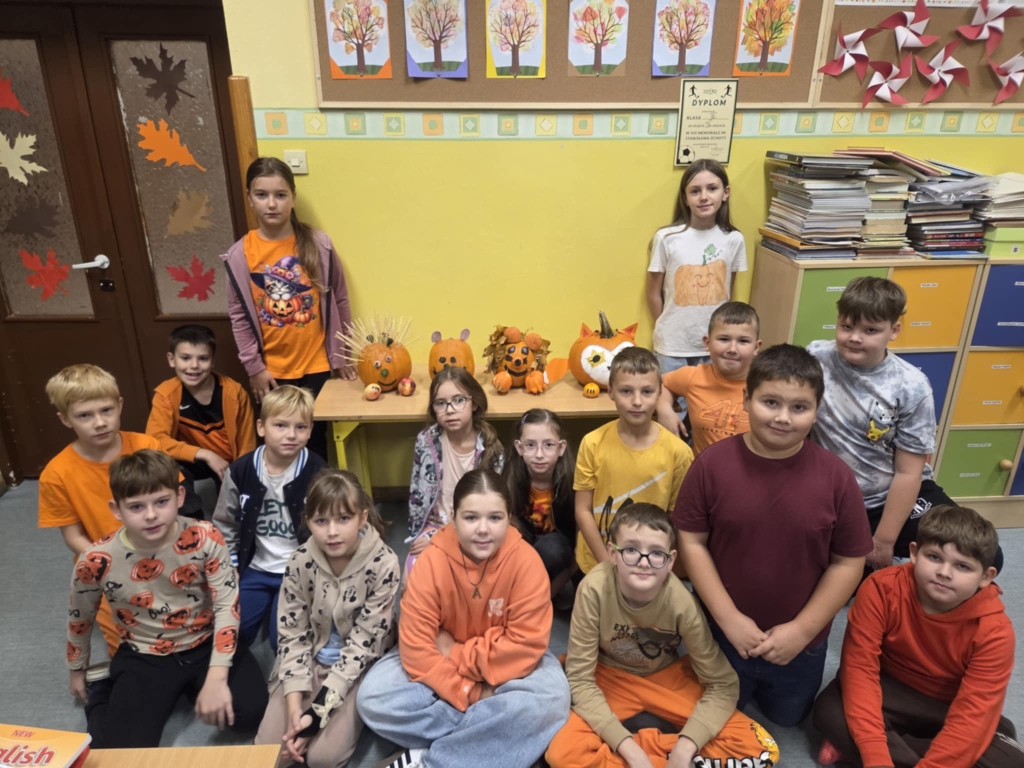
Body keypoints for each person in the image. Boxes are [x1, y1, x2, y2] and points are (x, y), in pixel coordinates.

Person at [674, 344, 873, 727]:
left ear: (817, 410)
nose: (783, 417)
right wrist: (728, 618)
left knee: (788, 718)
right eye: (770, 402)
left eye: (799, 407)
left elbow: (849, 562)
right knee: (717, 713)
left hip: (802, 643)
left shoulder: (836, 477)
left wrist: (801, 631)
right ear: (746, 399)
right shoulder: (710, 465)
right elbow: (692, 542)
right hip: (722, 632)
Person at [356, 469, 571, 768]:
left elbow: (524, 647)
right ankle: (492, 741)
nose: (483, 529)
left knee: (553, 699)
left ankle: (429, 760)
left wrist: (454, 651)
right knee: (373, 697)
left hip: (502, 669)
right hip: (448, 670)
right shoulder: (431, 561)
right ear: (453, 518)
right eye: (471, 518)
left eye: (495, 518)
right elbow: (416, 648)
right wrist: (471, 692)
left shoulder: (526, 562)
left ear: (509, 518)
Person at [546, 503, 780, 768]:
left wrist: (686, 746)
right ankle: (646, 755)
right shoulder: (593, 589)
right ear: (612, 553)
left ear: (670, 561)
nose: (644, 562)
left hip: (666, 678)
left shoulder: (682, 603)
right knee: (561, 755)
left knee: (764, 750)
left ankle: (655, 755)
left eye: (657, 553)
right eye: (631, 550)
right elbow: (580, 678)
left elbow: (723, 684)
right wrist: (629, 749)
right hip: (609, 677)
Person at [66, 450, 267, 748]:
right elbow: (80, 616)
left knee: (251, 713)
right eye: (136, 506)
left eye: (161, 501)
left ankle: (191, 686)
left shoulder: (206, 537)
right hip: (145, 653)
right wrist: (77, 668)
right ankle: (104, 693)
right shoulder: (96, 559)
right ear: (117, 510)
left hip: (206, 641)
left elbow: (227, 605)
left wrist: (216, 676)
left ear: (180, 496)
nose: (151, 515)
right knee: (120, 749)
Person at [813, 505, 1024, 768]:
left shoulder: (995, 631)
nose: (944, 572)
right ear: (914, 553)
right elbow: (859, 670)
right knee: (828, 710)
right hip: (888, 691)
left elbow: (973, 713)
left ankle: (867, 748)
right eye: (934, 557)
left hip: (946, 706)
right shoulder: (880, 589)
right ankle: (884, 746)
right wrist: (876, 757)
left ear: (986, 577)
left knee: (1010, 759)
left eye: (962, 566)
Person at [807, 276, 989, 573]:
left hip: (896, 495)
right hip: (835, 501)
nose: (855, 338)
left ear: (894, 331)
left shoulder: (911, 386)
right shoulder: (816, 357)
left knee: (980, 556)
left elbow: (909, 472)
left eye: (870, 330)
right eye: (846, 326)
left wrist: (883, 541)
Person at [39, 364, 199, 660]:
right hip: (109, 567)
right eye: (85, 415)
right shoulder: (56, 473)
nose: (100, 422)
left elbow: (171, 509)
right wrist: (118, 566)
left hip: (164, 552)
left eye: (106, 410)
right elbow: (73, 536)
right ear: (65, 419)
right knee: (132, 651)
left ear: (120, 405)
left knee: (193, 628)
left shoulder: (147, 446)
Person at [256, 469, 400, 768]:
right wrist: (295, 709)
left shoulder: (384, 562)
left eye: (343, 519)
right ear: (308, 521)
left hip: (357, 668)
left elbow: (362, 647)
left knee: (322, 759)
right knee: (268, 754)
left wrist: (316, 716)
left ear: (362, 517)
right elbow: (292, 635)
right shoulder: (300, 560)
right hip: (310, 658)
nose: (332, 531)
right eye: (321, 521)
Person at [221, 156, 356, 461]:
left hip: (318, 367)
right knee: (281, 443)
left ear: (293, 198)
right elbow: (239, 316)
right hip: (272, 372)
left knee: (316, 442)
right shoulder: (239, 256)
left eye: (280, 195)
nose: (272, 204)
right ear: (249, 198)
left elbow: (340, 300)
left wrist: (343, 354)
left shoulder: (319, 245)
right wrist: (255, 368)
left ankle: (316, 490)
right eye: (262, 195)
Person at [213, 385, 327, 651]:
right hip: (254, 567)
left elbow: (330, 524)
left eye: (301, 427)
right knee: (233, 632)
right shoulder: (240, 471)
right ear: (261, 427)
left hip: (299, 569)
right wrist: (231, 566)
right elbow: (225, 523)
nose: (291, 435)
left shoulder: (318, 471)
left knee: (284, 640)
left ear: (310, 430)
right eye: (281, 425)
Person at [574, 347, 693, 577]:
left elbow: (674, 518)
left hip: (647, 568)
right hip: (596, 564)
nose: (637, 401)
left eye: (647, 391)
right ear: (611, 392)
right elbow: (582, 510)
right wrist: (608, 565)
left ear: (659, 393)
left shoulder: (678, 452)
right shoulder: (592, 443)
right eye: (626, 391)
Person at [646, 159, 747, 422]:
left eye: (712, 188)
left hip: (714, 347)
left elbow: (726, 292)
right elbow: (653, 292)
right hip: (672, 346)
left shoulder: (734, 239)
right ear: (685, 198)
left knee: (707, 417)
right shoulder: (667, 238)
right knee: (672, 418)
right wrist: (665, 326)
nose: (704, 197)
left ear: (725, 193)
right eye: (695, 191)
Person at [406, 367, 504, 577]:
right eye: (440, 403)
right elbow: (417, 494)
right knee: (411, 580)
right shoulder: (426, 441)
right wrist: (419, 535)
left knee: (472, 579)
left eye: (459, 400)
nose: (449, 410)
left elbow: (491, 508)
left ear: (474, 403)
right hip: (434, 525)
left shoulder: (492, 449)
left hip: (475, 526)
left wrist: (442, 540)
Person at [145, 324, 256, 489]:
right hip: (190, 461)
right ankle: (190, 506)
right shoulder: (166, 395)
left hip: (227, 463)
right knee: (170, 472)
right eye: (185, 358)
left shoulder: (234, 393)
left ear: (213, 361)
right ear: (171, 359)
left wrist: (241, 473)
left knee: (238, 493)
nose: (194, 365)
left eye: (203, 358)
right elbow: (155, 440)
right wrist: (206, 454)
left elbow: (247, 444)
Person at [656, 302, 761, 453]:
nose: (732, 349)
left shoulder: (765, 385)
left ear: (756, 347)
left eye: (743, 341)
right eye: (724, 339)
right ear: (707, 343)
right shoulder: (693, 376)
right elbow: (658, 383)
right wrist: (664, 409)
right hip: (701, 466)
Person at [503, 408, 577, 598]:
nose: (539, 454)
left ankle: (544, 589)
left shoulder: (572, 482)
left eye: (548, 445)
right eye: (530, 445)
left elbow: (579, 544)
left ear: (561, 448)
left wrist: (550, 592)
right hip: (524, 545)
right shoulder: (510, 478)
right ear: (519, 447)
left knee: (550, 549)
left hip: (557, 551)